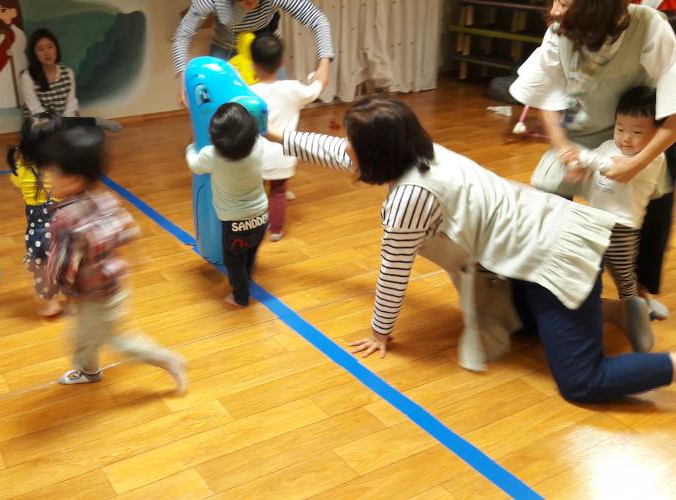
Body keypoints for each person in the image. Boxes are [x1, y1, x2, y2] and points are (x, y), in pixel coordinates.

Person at [273, 95, 675, 404]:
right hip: (542, 241)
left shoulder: (409, 198)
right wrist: (272, 133)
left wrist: (380, 332)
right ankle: (616, 312)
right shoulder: (422, 152)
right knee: (516, 325)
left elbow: (393, 271)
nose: (345, 148)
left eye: (352, 144)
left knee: (583, 383)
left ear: (376, 154)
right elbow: (333, 150)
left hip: (556, 256)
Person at [510, 0, 676, 319]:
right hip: (578, 137)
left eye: (564, 2)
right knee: (546, 196)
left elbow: (673, 113)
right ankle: (552, 289)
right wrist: (563, 149)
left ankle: (636, 294)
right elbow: (548, 99)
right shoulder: (560, 30)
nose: (554, 11)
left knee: (643, 211)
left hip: (632, 139)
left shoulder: (648, 27)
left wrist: (636, 163)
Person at [41, 127, 188, 390]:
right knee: (84, 334)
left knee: (118, 341)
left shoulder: (65, 220)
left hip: (93, 294)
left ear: (73, 181)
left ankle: (167, 360)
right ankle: (88, 369)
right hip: (114, 283)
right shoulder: (105, 200)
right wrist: (137, 255)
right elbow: (128, 228)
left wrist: (61, 291)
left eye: (53, 174)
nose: (49, 178)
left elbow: (62, 266)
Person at [563, 88, 667, 313]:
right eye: (620, 129)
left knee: (623, 274)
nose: (626, 137)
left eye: (637, 132)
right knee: (588, 266)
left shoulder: (654, 158)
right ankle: (590, 308)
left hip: (622, 227)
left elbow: (609, 165)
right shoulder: (607, 146)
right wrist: (578, 166)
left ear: (657, 134)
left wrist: (582, 156)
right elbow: (594, 164)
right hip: (595, 219)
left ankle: (634, 312)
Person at [186, 102, 272, 307]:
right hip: (261, 216)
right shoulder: (258, 145)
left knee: (234, 261)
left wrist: (189, 148)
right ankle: (246, 280)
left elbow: (195, 165)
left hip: (235, 222)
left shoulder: (212, 155)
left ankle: (240, 297)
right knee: (250, 254)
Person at [172, 0, 333, 106]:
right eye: (245, 2)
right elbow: (182, 35)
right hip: (225, 47)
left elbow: (318, 20)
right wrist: (184, 79)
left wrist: (324, 64)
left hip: (264, 48)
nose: (252, 5)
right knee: (220, 103)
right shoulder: (209, 1)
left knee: (276, 101)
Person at [249, 33, 324, 241]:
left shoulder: (249, 92)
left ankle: (256, 225)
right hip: (284, 153)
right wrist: (315, 77)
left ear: (253, 65)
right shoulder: (292, 88)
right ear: (282, 62)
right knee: (278, 192)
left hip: (256, 155)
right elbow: (315, 90)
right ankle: (276, 230)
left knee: (257, 192)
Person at [7, 112, 64, 317]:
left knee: (42, 266)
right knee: (70, 263)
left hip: (37, 231)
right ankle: (75, 298)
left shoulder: (22, 169)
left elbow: (17, 185)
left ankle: (50, 304)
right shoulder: (61, 168)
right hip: (63, 225)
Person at [19, 28, 122, 131]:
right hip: (40, 125)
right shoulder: (27, 77)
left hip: (65, 122)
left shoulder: (67, 73)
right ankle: (96, 121)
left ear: (56, 48)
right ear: (34, 53)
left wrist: (66, 125)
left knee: (95, 135)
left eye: (50, 47)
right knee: (57, 137)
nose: (46, 53)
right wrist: (60, 125)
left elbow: (71, 106)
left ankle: (81, 129)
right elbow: (36, 111)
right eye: (40, 49)